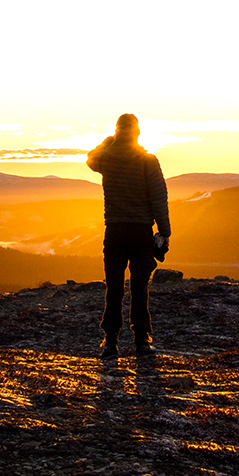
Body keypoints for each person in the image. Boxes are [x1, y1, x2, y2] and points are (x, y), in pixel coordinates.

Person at [86, 113, 171, 357]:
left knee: (114, 287)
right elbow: (159, 199)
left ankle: (111, 342)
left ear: (117, 132)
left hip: (114, 230)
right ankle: (142, 341)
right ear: (137, 133)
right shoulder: (147, 161)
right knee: (139, 286)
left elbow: (90, 160)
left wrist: (107, 142)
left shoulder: (107, 159)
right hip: (140, 231)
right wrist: (164, 232)